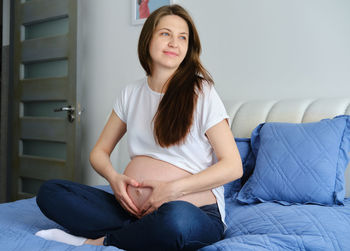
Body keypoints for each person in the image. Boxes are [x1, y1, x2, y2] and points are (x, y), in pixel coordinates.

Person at [35, 4, 243, 250]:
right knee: (50, 193)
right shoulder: (131, 93)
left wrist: (171, 191)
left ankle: (97, 242)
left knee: (174, 221)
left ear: (189, 48)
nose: (174, 42)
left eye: (182, 37)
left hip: (193, 212)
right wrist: (114, 179)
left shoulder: (202, 92)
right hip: (132, 210)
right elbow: (98, 153)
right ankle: (141, 233)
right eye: (165, 33)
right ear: (148, 39)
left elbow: (233, 166)